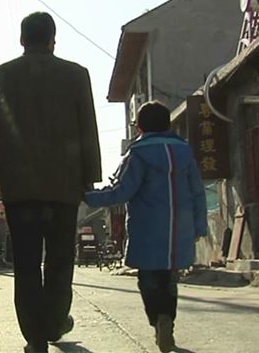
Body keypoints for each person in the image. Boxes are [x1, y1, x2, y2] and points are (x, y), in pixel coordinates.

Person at [0, 11, 102, 353]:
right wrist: (90, 176)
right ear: (53, 40)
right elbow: (87, 127)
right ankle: (54, 321)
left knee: (27, 263)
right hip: (64, 186)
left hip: (19, 189)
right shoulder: (76, 75)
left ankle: (35, 337)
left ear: (22, 40)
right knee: (61, 260)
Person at [84, 100, 207, 353]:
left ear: (139, 127)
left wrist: (88, 197)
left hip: (147, 231)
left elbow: (121, 191)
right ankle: (167, 319)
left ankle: (157, 319)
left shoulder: (137, 154)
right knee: (169, 281)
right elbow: (198, 193)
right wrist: (199, 227)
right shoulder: (185, 153)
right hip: (179, 231)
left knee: (149, 281)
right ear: (168, 124)